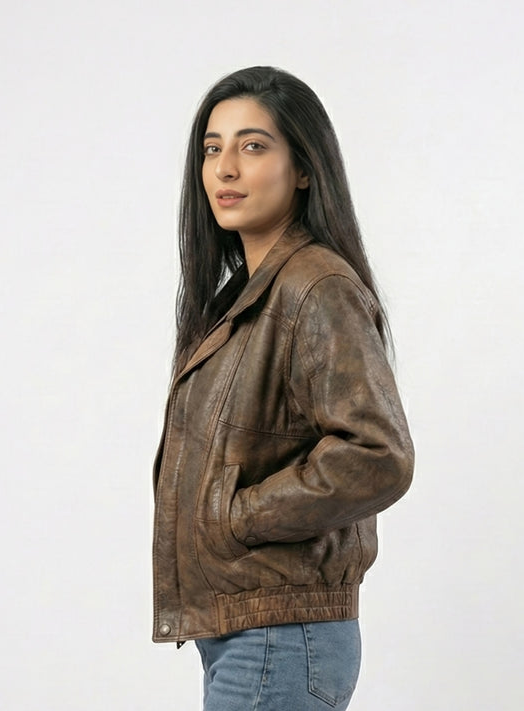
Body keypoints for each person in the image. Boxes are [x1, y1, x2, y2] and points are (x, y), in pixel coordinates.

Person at [152, 66, 414, 711]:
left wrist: (237, 516)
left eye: (253, 146)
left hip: (281, 637)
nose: (225, 169)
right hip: (251, 632)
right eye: (212, 148)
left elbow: (378, 455)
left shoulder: (315, 287)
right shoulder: (247, 296)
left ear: (303, 167)